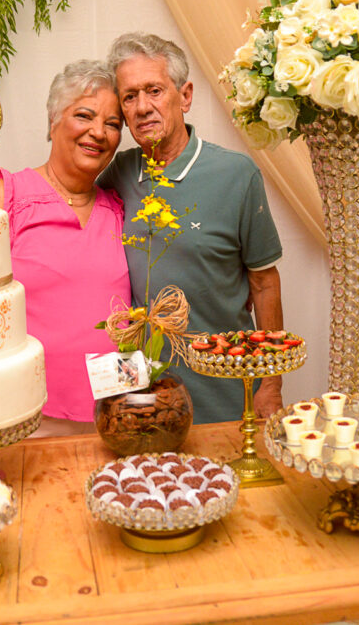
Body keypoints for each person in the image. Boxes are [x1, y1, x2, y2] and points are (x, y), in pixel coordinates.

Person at [99, 32, 285, 424]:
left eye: (154, 90)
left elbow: (265, 283)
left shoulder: (236, 174)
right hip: (140, 397)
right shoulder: (119, 173)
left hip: (224, 390)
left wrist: (271, 385)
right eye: (129, 96)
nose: (142, 107)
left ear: (184, 96)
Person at [0, 60, 129, 437]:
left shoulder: (121, 207)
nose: (98, 132)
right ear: (54, 122)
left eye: (113, 124)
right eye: (84, 115)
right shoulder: (7, 196)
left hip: (116, 412)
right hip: (29, 416)